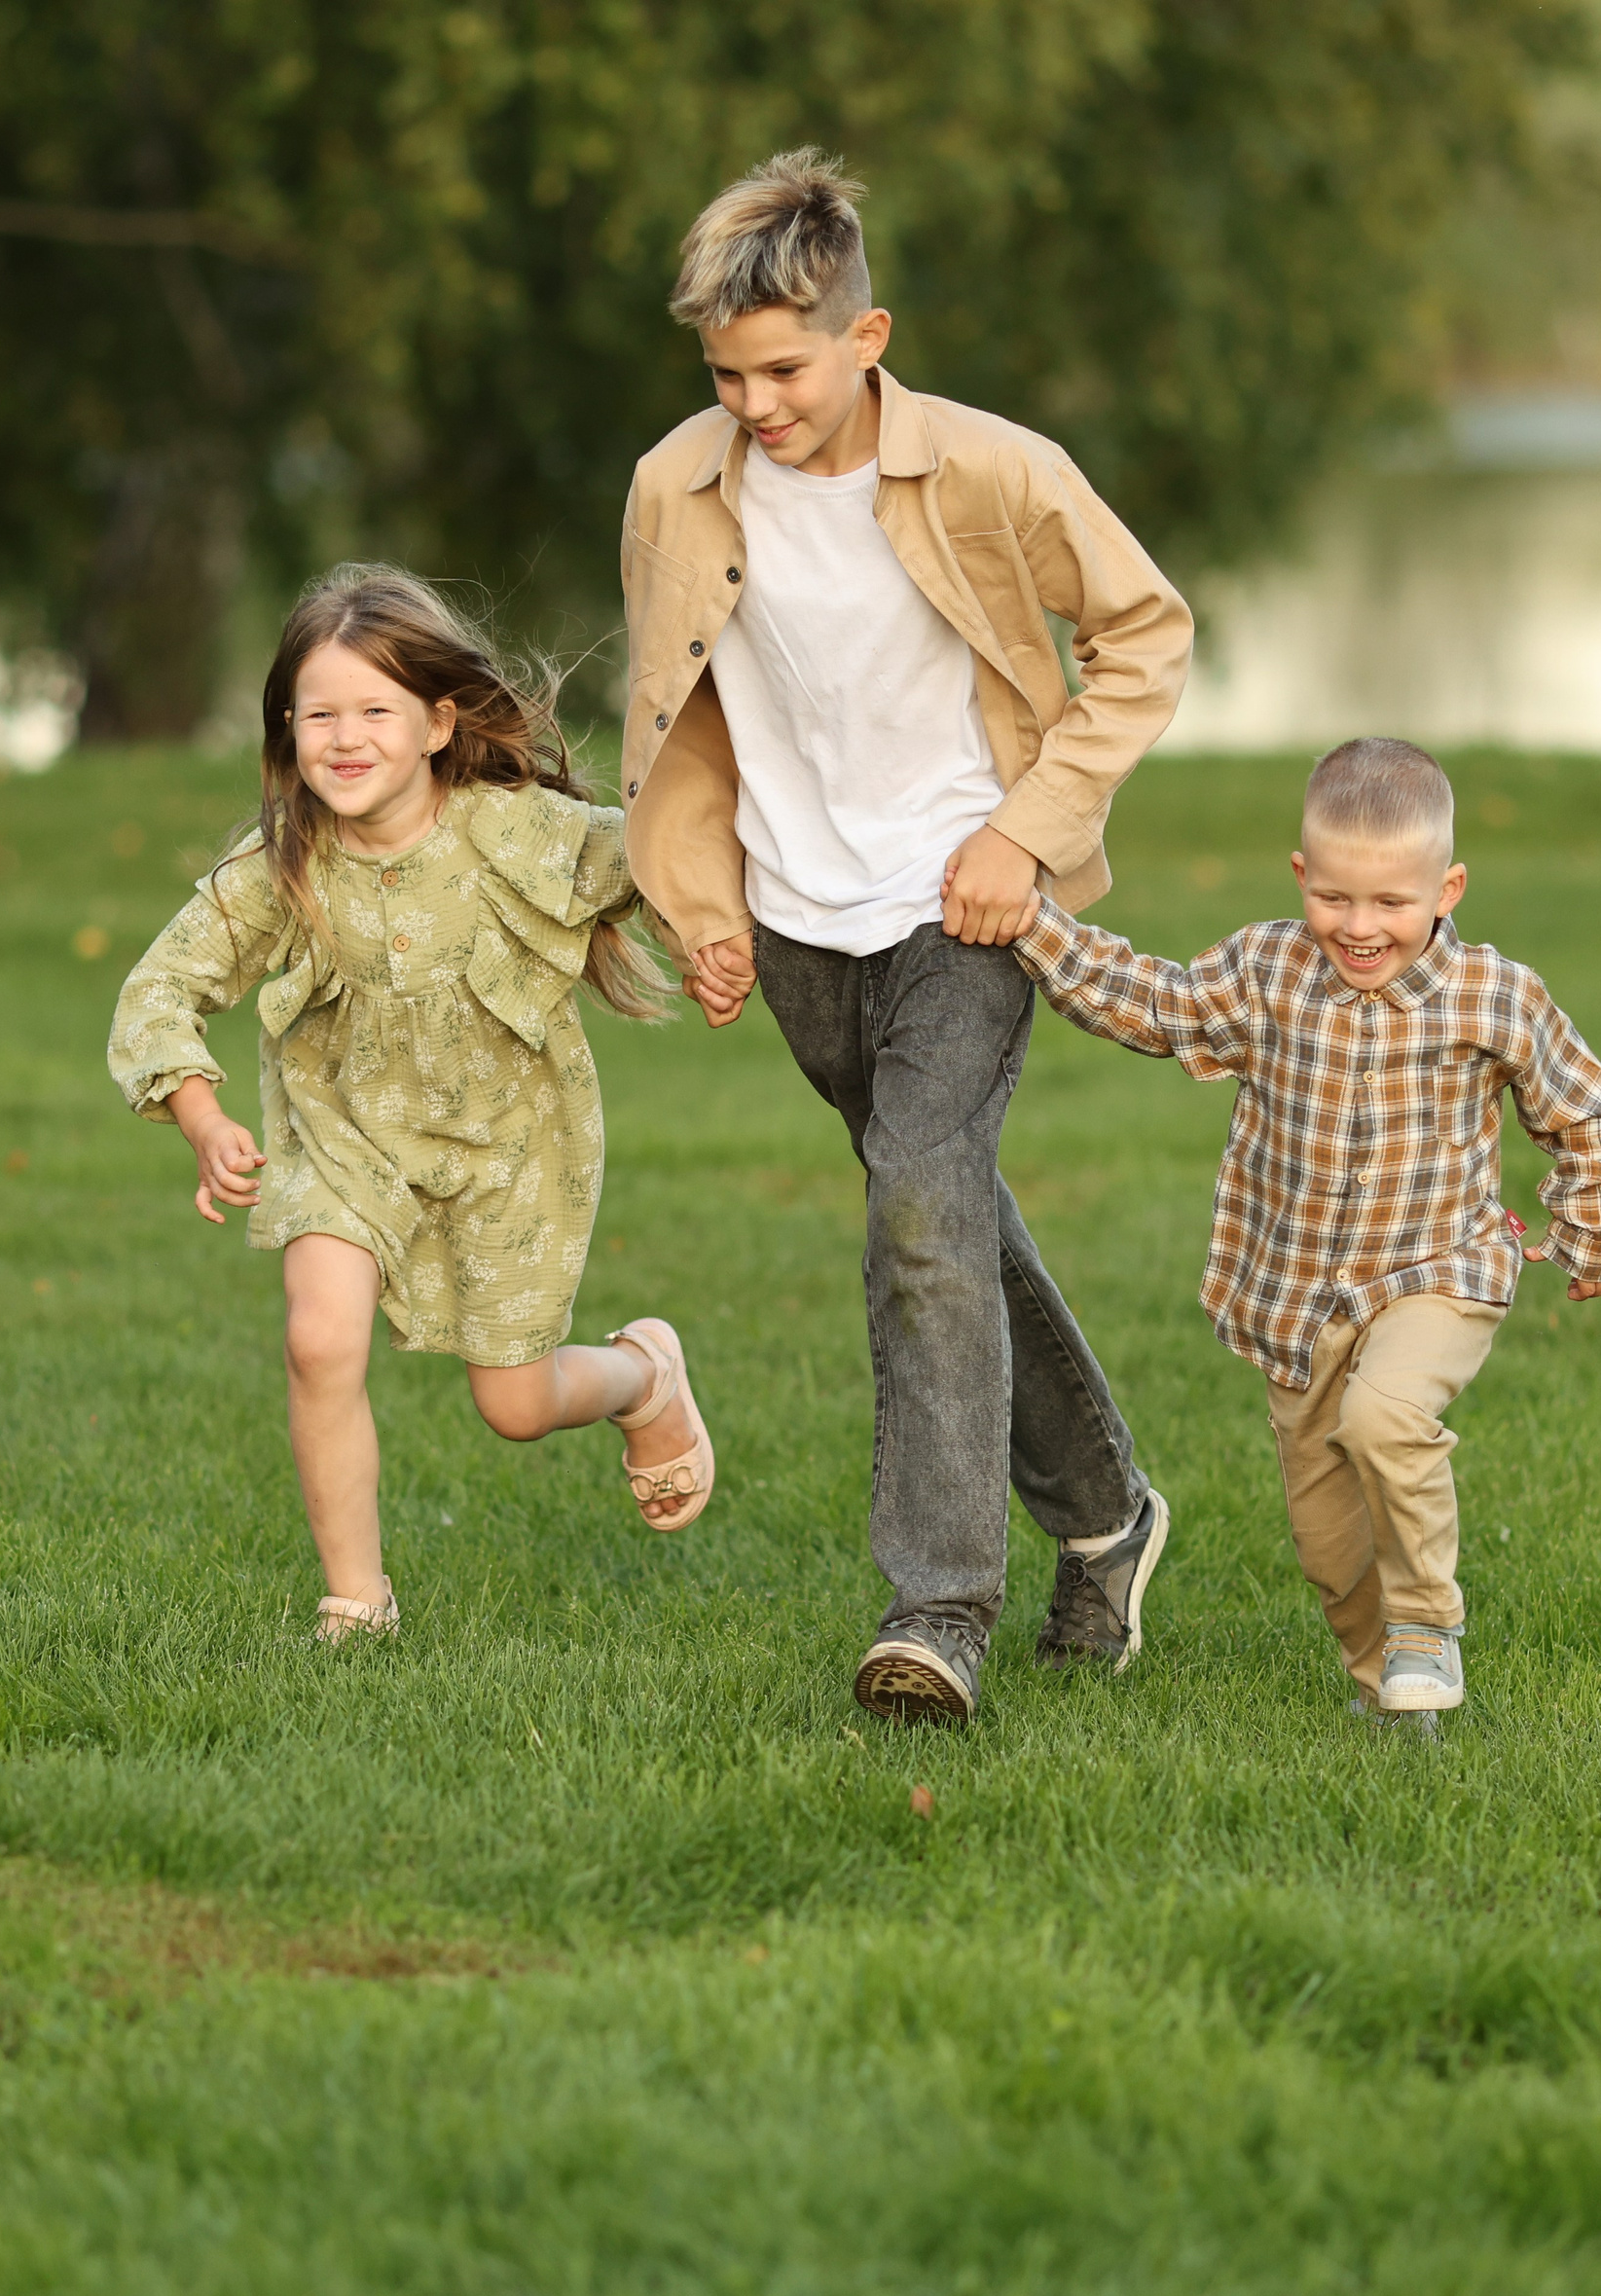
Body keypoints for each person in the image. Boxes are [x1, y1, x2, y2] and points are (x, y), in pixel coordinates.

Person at [616, 151, 1194, 1724]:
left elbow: (1146, 633)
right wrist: (700, 901)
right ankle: (1109, 1516)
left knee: (921, 1216)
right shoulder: (676, 487)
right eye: (727, 374)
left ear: (869, 341)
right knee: (941, 1211)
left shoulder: (995, 470)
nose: (756, 403)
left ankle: (937, 1608)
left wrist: (1029, 830)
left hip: (966, 894)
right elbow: (679, 716)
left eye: (785, 368)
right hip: (801, 921)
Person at [108, 565, 712, 1641]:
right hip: (339, 1143)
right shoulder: (281, 864)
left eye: (375, 711)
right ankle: (357, 1601)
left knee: (514, 1407)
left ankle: (642, 1375)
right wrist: (200, 1115)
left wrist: (711, 939)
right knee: (317, 1341)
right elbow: (162, 987)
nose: (345, 738)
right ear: (286, 727)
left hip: (509, 1150)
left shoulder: (510, 830)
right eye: (318, 713)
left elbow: (653, 864)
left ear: (439, 722)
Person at [1006, 738, 1601, 1718]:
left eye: (1391, 902)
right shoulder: (1267, 971)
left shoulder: (1491, 995)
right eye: (1334, 897)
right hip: (1296, 1296)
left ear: (1446, 886)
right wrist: (1032, 925)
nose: (1359, 927)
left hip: (1438, 1270)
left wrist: (1585, 1231)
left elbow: (1584, 1114)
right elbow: (1158, 1006)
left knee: (1386, 1419)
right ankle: (1384, 1695)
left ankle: (1428, 1628)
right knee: (1328, 1547)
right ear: (1302, 875)